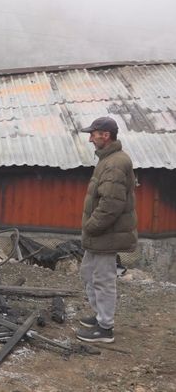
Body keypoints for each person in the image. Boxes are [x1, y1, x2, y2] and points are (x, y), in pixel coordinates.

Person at [77, 116, 137, 343]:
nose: (91, 138)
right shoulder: (107, 159)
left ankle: (105, 328)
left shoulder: (115, 163)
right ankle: (99, 315)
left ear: (106, 135)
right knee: (88, 274)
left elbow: (111, 204)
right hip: (98, 235)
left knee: (103, 278)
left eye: (94, 134)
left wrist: (91, 227)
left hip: (105, 234)